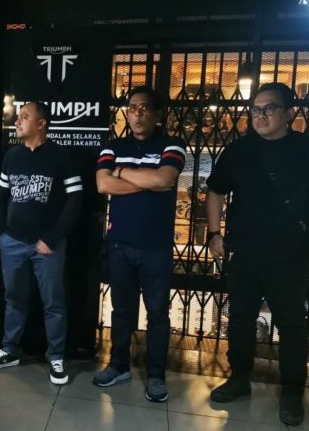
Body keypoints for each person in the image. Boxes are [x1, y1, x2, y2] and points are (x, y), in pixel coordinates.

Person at [206, 82, 309, 426]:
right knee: (240, 319)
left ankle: (292, 392)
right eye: (255, 110)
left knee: (291, 324)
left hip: (289, 253)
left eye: (268, 109)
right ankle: (239, 378)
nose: (260, 116)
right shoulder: (239, 151)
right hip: (244, 250)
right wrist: (214, 233)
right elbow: (215, 191)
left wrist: (308, 213)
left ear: (288, 113)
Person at [92, 86, 186, 402]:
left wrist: (122, 172)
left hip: (156, 245)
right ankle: (118, 365)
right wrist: (143, 182)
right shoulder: (113, 146)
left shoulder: (172, 145)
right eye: (132, 108)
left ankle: (156, 375)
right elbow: (102, 183)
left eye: (144, 107)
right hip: (120, 243)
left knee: (157, 313)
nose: (137, 114)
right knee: (121, 309)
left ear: (157, 114)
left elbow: (164, 180)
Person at [0, 102, 83, 385]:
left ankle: (56, 356)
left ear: (41, 124)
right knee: (14, 299)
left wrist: (52, 237)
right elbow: (2, 197)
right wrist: (1, 234)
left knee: (54, 303)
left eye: (24, 117)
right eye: (18, 117)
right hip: (12, 242)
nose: (17, 121)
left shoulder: (61, 155)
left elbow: (75, 199)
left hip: (48, 245)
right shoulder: (12, 156)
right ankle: (10, 350)